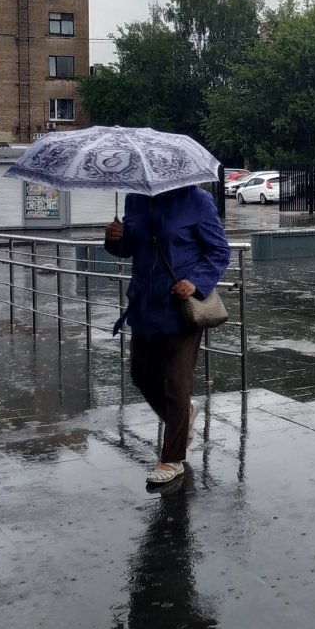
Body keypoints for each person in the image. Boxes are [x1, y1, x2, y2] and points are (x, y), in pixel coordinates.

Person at [105, 185, 231, 487]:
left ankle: (172, 458)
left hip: (180, 308)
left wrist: (195, 282)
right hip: (145, 304)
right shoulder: (135, 199)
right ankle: (184, 415)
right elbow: (132, 249)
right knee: (141, 374)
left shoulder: (197, 200)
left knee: (175, 381)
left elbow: (219, 250)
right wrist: (115, 240)